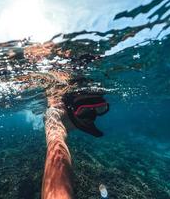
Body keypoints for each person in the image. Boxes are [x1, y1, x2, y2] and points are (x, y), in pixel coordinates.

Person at [18, 42, 109, 199]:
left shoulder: (81, 116)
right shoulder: (56, 113)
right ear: (69, 107)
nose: (92, 115)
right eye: (85, 110)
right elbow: (56, 146)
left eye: (100, 108)